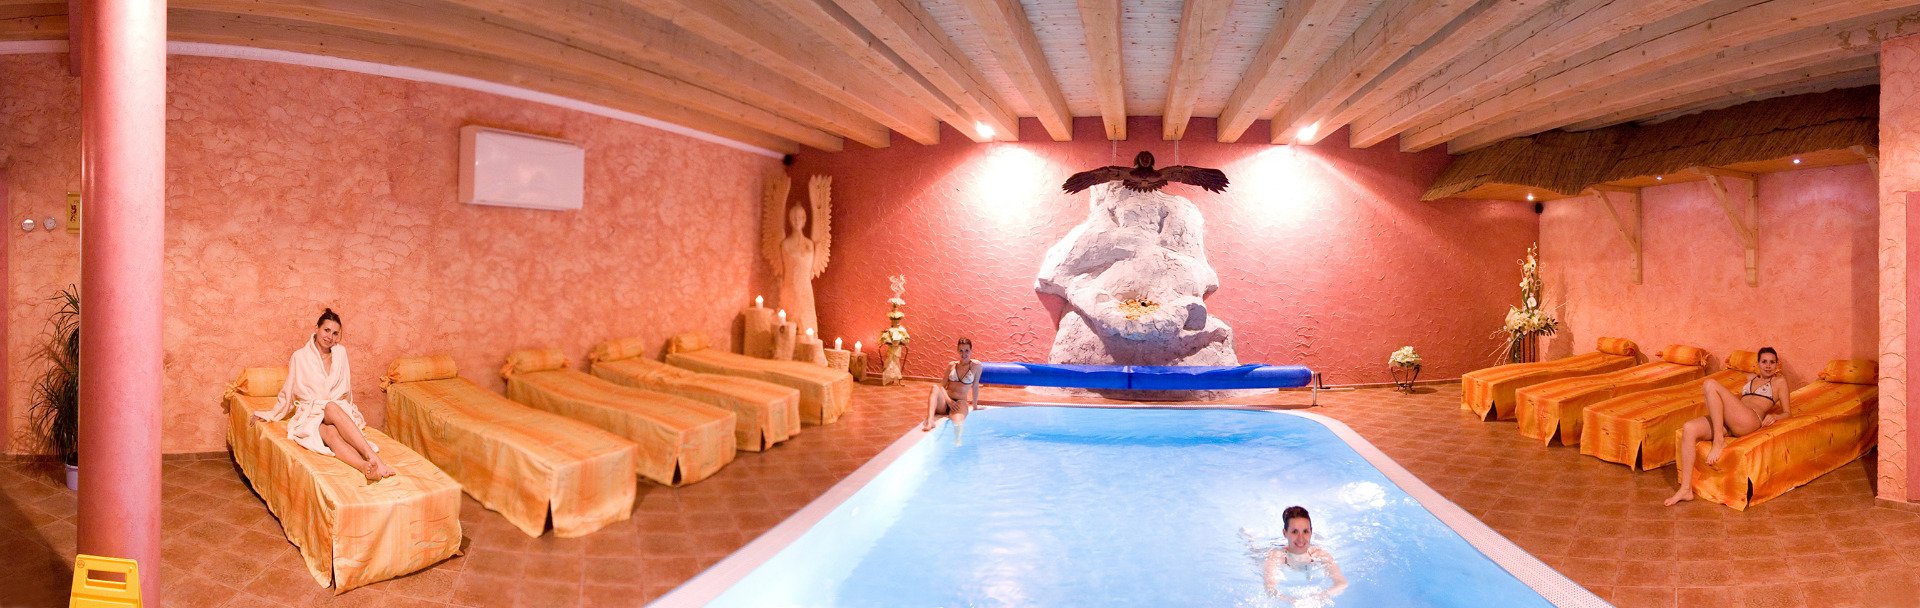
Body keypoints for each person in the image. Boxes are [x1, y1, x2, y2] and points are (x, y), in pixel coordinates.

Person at [254, 308, 396, 482]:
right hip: (311, 412)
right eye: (326, 330)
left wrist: (349, 414)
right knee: (330, 433)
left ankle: (372, 462)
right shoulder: (300, 356)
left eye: (335, 333)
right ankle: (365, 465)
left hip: (335, 409)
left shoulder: (341, 353)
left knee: (331, 407)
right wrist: (271, 414)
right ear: (317, 328)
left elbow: (346, 387)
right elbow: (288, 390)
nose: (330, 337)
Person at [1665, 347, 1790, 506]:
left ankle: (1719, 440)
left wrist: (1775, 416)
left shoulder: (1779, 382)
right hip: (1733, 421)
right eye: (1764, 361)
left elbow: (1787, 412)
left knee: (1710, 384)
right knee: (1689, 428)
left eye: (1772, 362)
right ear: (1758, 363)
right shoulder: (1750, 378)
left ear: (1777, 364)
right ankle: (1685, 489)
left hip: (1750, 420)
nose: (1768, 366)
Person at [1264, 506, 1348, 607]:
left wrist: (1318, 598)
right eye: (1294, 532)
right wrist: (1292, 601)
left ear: (1311, 532)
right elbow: (1270, 588)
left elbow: (1341, 583)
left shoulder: (1319, 554)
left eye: (1305, 531)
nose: (1301, 539)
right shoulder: (1277, 555)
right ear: (1285, 533)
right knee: (1254, 550)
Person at [922, 337, 981, 445]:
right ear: (957, 351)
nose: (964, 353)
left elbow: (975, 386)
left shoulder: (976, 366)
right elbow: (941, 386)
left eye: (967, 350)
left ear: (971, 350)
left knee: (957, 424)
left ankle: (955, 444)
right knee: (934, 387)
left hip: (960, 403)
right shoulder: (951, 365)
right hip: (945, 401)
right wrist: (948, 401)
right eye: (961, 350)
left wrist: (975, 405)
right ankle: (930, 421)